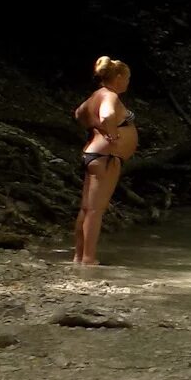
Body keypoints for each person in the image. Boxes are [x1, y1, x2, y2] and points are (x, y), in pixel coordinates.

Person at [72, 56, 138, 266]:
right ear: (118, 77)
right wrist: (111, 136)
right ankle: (89, 259)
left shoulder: (96, 95)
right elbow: (107, 115)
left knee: (86, 208)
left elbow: (78, 113)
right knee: (95, 210)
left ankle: (79, 257)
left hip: (93, 153)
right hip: (105, 156)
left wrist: (94, 129)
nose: (128, 82)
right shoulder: (110, 96)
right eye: (127, 78)